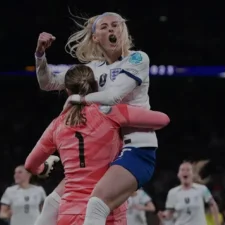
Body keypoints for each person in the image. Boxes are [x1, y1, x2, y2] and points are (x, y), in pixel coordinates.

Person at [34, 11, 161, 225]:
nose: (112, 29)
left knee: (96, 206)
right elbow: (49, 83)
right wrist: (40, 56)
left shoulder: (138, 58)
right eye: (105, 27)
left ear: (123, 30)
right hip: (102, 153)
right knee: (52, 204)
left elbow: (114, 96)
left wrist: (77, 99)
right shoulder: (93, 68)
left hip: (136, 148)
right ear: (95, 37)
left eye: (116, 25)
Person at [25, 65, 170, 225]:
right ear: (96, 86)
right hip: (106, 215)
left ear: (67, 91)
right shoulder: (110, 112)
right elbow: (162, 119)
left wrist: (43, 168)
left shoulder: (57, 125)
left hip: (67, 214)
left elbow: (30, 164)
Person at [157, 161, 220, 225]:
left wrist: (217, 223)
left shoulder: (202, 189)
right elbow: (170, 212)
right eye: (182, 170)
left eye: (188, 170)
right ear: (178, 174)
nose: (185, 172)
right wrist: (164, 215)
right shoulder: (172, 192)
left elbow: (213, 204)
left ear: (193, 174)